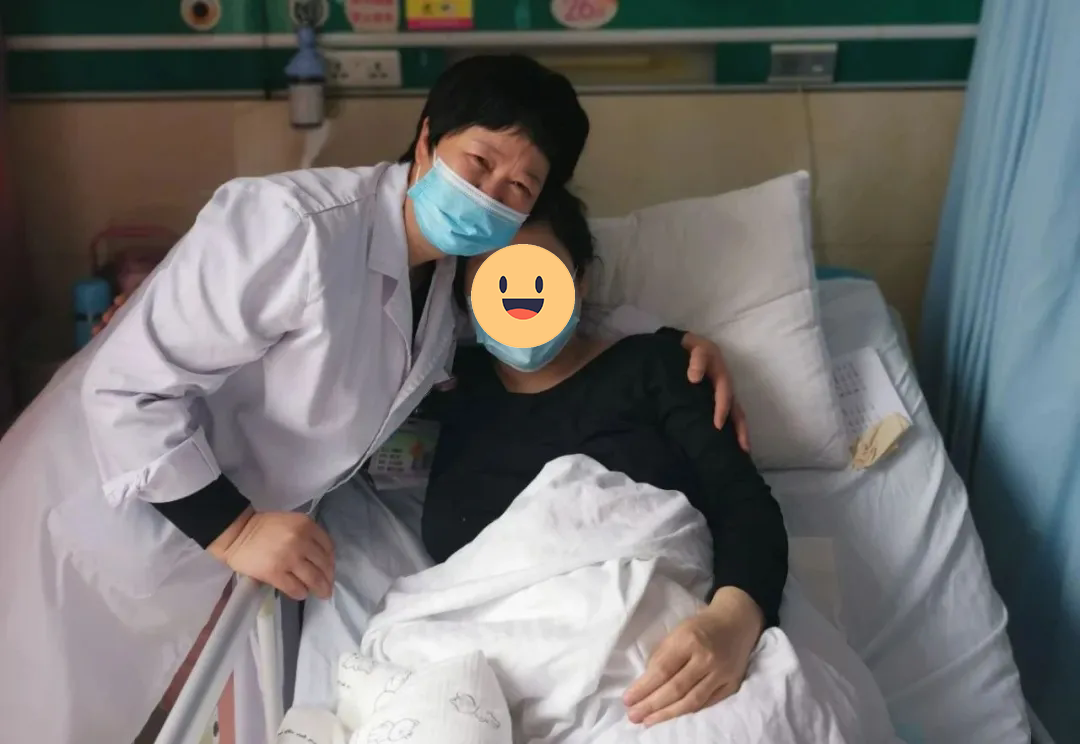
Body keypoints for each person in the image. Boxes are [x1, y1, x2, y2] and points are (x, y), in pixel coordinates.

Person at [0, 55, 743, 744]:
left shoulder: (445, 281)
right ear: (427, 139)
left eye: (519, 188)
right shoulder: (295, 226)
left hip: (204, 540)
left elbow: (543, 312)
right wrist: (235, 531)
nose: (490, 194)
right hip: (93, 509)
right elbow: (128, 388)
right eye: (479, 161)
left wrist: (676, 342)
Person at [421, 187, 788, 729]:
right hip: (485, 679)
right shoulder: (443, 385)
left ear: (581, 281)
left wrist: (734, 620)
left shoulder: (655, 367)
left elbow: (744, 503)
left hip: (657, 661)